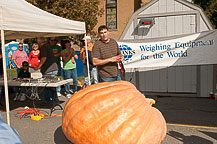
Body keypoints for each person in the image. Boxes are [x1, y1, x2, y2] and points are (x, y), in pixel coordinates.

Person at [34, 37, 59, 104]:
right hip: (52, 68)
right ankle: (53, 100)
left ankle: (51, 101)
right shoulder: (47, 46)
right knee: (50, 86)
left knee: (48, 86)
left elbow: (44, 58)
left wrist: (38, 66)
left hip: (50, 69)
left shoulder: (43, 47)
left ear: (39, 42)